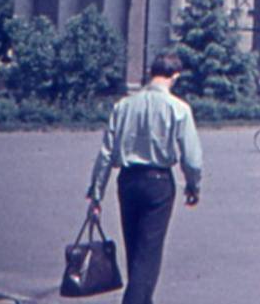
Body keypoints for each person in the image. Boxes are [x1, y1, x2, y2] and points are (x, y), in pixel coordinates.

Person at [87, 51, 203, 304]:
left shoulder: (123, 106)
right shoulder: (178, 108)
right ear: (175, 76)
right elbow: (192, 158)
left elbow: (106, 153)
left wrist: (96, 194)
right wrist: (193, 185)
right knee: (149, 253)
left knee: (135, 249)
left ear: (151, 74)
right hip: (158, 182)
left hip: (127, 180)